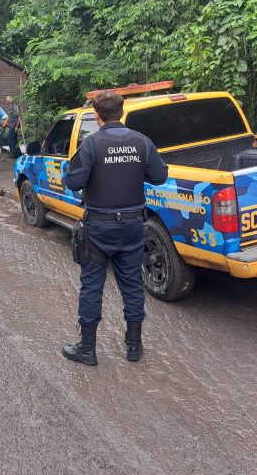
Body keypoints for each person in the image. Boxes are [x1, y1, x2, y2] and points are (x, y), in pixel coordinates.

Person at [62, 90, 168, 366]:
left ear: (96, 115)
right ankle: (134, 346)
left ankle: (87, 349)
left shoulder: (91, 144)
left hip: (99, 227)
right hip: (133, 226)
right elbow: (160, 176)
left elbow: (73, 182)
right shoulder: (142, 142)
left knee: (91, 287)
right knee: (132, 285)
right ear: (120, 113)